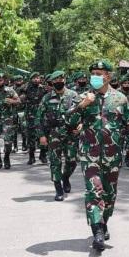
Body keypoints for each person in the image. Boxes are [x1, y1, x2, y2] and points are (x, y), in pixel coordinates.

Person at [67, 60, 129, 251]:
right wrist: (82, 106)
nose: (95, 76)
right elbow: (68, 120)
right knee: (94, 191)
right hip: (89, 154)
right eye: (93, 73)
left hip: (112, 155)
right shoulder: (83, 97)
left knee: (109, 193)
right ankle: (97, 230)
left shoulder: (120, 99)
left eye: (99, 73)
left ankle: (104, 221)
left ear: (108, 76)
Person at [36, 71, 79, 201]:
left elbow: (82, 111)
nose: (58, 82)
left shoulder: (73, 95)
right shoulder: (47, 98)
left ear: (64, 80)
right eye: (55, 80)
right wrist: (41, 135)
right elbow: (38, 117)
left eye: (60, 79)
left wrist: (81, 125)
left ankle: (65, 177)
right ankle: (58, 189)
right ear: (52, 83)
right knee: (55, 162)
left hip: (71, 133)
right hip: (54, 133)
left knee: (72, 160)